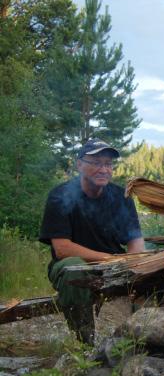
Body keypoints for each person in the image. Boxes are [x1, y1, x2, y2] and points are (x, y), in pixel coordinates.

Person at [39, 139, 145, 344]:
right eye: (96, 162)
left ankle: (140, 339)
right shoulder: (60, 196)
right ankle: (85, 343)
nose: (103, 169)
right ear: (79, 164)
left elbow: (135, 241)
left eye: (107, 163)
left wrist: (134, 262)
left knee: (149, 271)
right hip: (75, 264)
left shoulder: (121, 196)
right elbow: (62, 249)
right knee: (73, 269)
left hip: (113, 266)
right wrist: (110, 259)